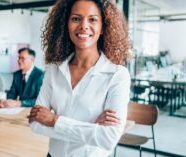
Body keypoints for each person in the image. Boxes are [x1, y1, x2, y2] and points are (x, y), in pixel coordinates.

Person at [29, 0, 131, 157]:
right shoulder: (54, 70)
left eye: (92, 19)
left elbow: (108, 138)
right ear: (66, 24)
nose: (84, 25)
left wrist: (54, 121)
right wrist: (91, 127)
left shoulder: (117, 75)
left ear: (103, 27)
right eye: (76, 18)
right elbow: (35, 123)